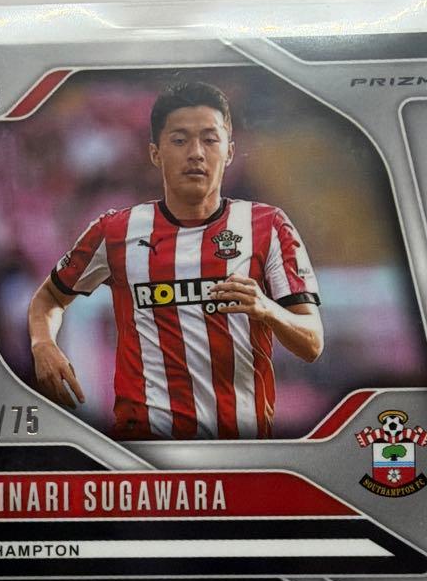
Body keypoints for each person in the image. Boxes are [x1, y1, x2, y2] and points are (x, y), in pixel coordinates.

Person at [27, 80, 323, 440]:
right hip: (146, 451)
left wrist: (267, 309)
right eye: (180, 140)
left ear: (229, 151)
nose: (196, 153)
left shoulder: (268, 226)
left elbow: (312, 343)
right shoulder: (115, 230)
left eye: (210, 139)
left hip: (240, 450)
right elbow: (49, 298)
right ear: (155, 153)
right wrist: (43, 344)